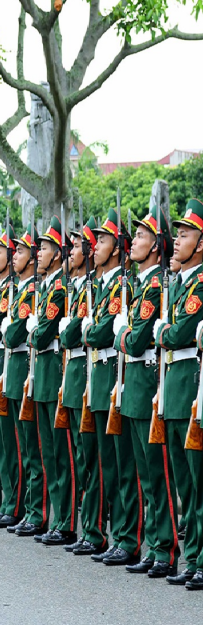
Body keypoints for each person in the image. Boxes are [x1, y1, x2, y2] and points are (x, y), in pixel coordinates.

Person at [114, 206, 180, 577]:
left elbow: (138, 341)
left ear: (156, 247)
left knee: (158, 474)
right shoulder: (140, 284)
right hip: (135, 386)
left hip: (148, 384)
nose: (133, 241)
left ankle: (165, 548)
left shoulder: (156, 285)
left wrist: (121, 333)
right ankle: (154, 546)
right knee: (144, 474)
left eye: (140, 236)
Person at [153, 199, 203, 587]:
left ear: (200, 244)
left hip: (190, 379)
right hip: (173, 382)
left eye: (185, 234)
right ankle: (193, 557)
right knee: (182, 480)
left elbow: (179, 333)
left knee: (197, 479)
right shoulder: (181, 283)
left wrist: (161, 333)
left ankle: (200, 559)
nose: (178, 240)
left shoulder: (200, 284)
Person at [84, 209, 137, 565]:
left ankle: (126, 536)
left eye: (102, 241)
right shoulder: (104, 287)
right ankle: (114, 534)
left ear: (118, 248)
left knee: (122, 467)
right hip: (101, 375)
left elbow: (101, 333)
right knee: (105, 464)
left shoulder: (122, 285)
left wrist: (94, 329)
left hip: (116, 376)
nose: (95, 246)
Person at [59, 217, 108, 555]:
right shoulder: (84, 288)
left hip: (100, 375)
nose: (72, 251)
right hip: (78, 374)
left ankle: (100, 531)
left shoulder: (114, 287)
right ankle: (89, 529)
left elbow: (81, 334)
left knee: (99, 461)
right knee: (83, 458)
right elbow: (68, 335)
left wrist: (79, 328)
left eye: (79, 246)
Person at [31, 216, 75, 546]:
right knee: (49, 454)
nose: (38, 254)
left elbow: (43, 334)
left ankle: (66, 520)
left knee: (62, 455)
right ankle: (56, 516)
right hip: (43, 377)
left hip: (55, 374)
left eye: (44, 248)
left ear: (57, 254)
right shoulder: (46, 287)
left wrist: (34, 331)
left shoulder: (61, 289)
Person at [4, 225, 46, 537]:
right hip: (17, 369)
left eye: (20, 251)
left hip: (29, 370)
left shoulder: (34, 291)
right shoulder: (20, 291)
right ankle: (27, 509)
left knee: (34, 448)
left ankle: (36, 511)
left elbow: (13, 334)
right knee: (21, 447)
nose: (13, 256)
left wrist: (8, 328)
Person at [0, 224, 25, 528]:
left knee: (17, 445)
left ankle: (17, 506)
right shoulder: (3, 291)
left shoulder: (19, 290)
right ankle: (7, 502)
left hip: (15, 365)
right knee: (2, 443)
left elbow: (4, 333)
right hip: (1, 365)